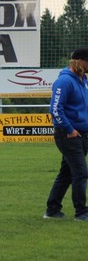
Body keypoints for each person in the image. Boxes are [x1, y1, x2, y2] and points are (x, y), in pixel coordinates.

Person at [45, 47, 88, 221]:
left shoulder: (83, 79)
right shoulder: (64, 81)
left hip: (81, 135)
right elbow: (55, 109)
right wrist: (70, 130)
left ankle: (52, 210)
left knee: (67, 174)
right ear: (80, 61)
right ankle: (81, 212)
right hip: (68, 135)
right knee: (81, 172)